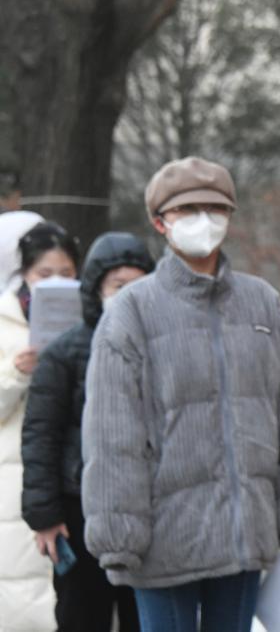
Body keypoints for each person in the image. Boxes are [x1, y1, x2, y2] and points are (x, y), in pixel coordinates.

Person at [81, 157, 280, 632]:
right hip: (164, 540)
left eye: (215, 208)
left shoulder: (262, 303)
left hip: (245, 533)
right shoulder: (131, 312)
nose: (203, 219)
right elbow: (112, 437)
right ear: (160, 221)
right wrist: (119, 536)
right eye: (187, 209)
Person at [22, 231, 155, 632]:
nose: (128, 295)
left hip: (148, 511)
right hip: (78, 509)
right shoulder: (64, 353)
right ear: (97, 289)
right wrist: (44, 516)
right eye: (118, 285)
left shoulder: (161, 347)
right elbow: (41, 436)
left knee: (143, 617)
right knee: (82, 615)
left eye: (138, 285)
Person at [1, 221, 79, 631]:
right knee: (20, 589)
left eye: (66, 274)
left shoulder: (89, 320)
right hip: (14, 476)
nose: (56, 283)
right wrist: (16, 372)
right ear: (24, 274)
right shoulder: (3, 321)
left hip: (69, 471)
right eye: (44, 274)